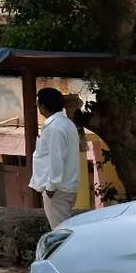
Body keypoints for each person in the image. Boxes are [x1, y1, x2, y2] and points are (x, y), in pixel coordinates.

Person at [29, 87, 79, 228]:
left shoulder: (55, 127)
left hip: (57, 189)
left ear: (43, 106)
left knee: (60, 233)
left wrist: (51, 187)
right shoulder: (67, 124)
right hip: (65, 186)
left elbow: (57, 159)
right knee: (64, 229)